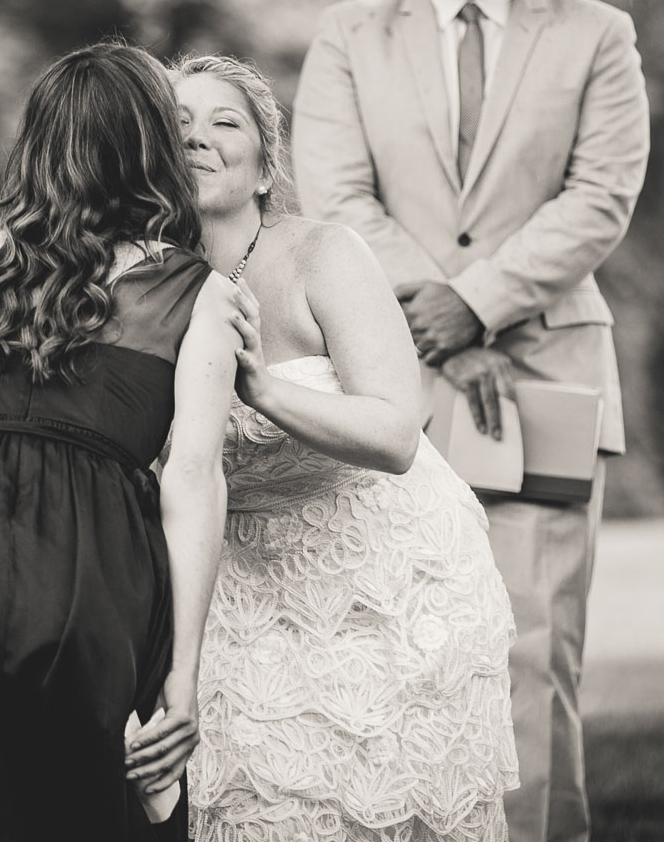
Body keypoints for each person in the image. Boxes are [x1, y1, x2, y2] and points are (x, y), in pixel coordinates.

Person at [292, 0, 650, 842]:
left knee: (533, 655)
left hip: (546, 380)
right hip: (385, 379)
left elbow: (601, 198)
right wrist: (440, 316)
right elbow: (336, 195)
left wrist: (480, 305)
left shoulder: (597, 34)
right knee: (385, 652)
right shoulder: (350, 33)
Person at [0, 42, 240, 842]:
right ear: (150, 144)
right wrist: (183, 675)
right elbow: (192, 482)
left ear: (37, 144)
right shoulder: (194, 292)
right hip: (84, 615)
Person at [140, 53, 517, 840]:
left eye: (224, 122)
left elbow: (396, 432)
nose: (198, 138)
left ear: (265, 168)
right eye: (179, 124)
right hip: (234, 596)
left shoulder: (324, 254)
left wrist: (265, 389)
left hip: (383, 584)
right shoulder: (139, 281)